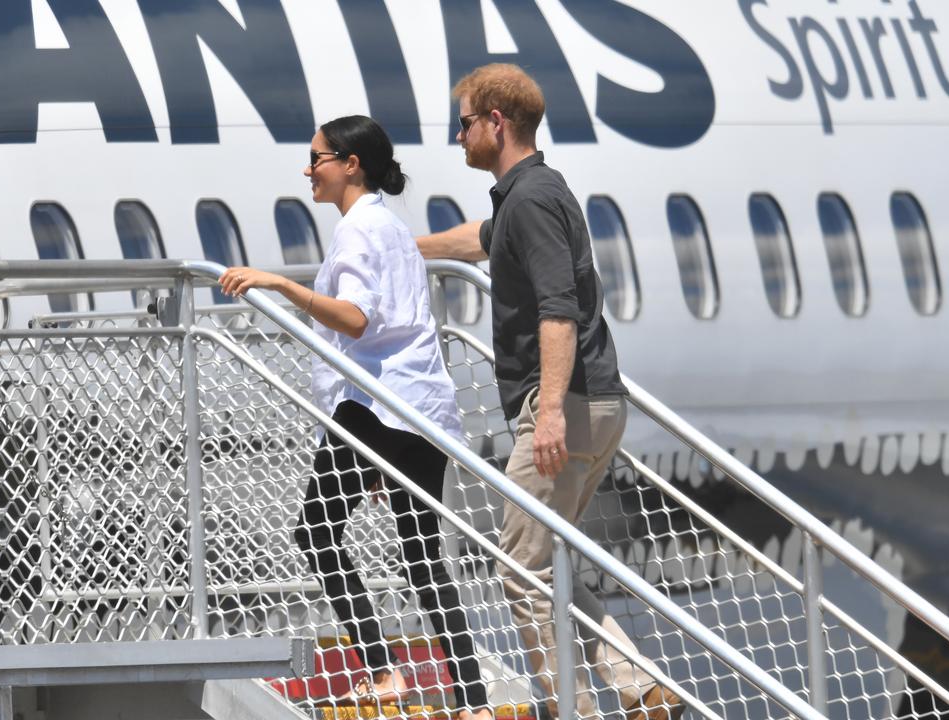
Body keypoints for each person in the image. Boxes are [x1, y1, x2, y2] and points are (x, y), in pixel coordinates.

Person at [417, 64, 686, 720]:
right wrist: (399, 250)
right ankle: (639, 686)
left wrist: (548, 417)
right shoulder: (530, 195)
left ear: (495, 123)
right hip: (595, 402)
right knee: (545, 559)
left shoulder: (531, 203)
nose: (458, 135)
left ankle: (577, 710)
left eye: (465, 122)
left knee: (518, 567)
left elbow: (558, 314)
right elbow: (477, 243)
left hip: (564, 404)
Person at [219, 115, 492, 720]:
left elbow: (357, 320)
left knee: (315, 534)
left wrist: (278, 285)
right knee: (422, 555)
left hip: (372, 405)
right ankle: (471, 697)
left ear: (351, 164)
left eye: (317, 158)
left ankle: (381, 668)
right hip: (417, 406)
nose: (308, 170)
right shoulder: (389, 226)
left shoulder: (359, 229)